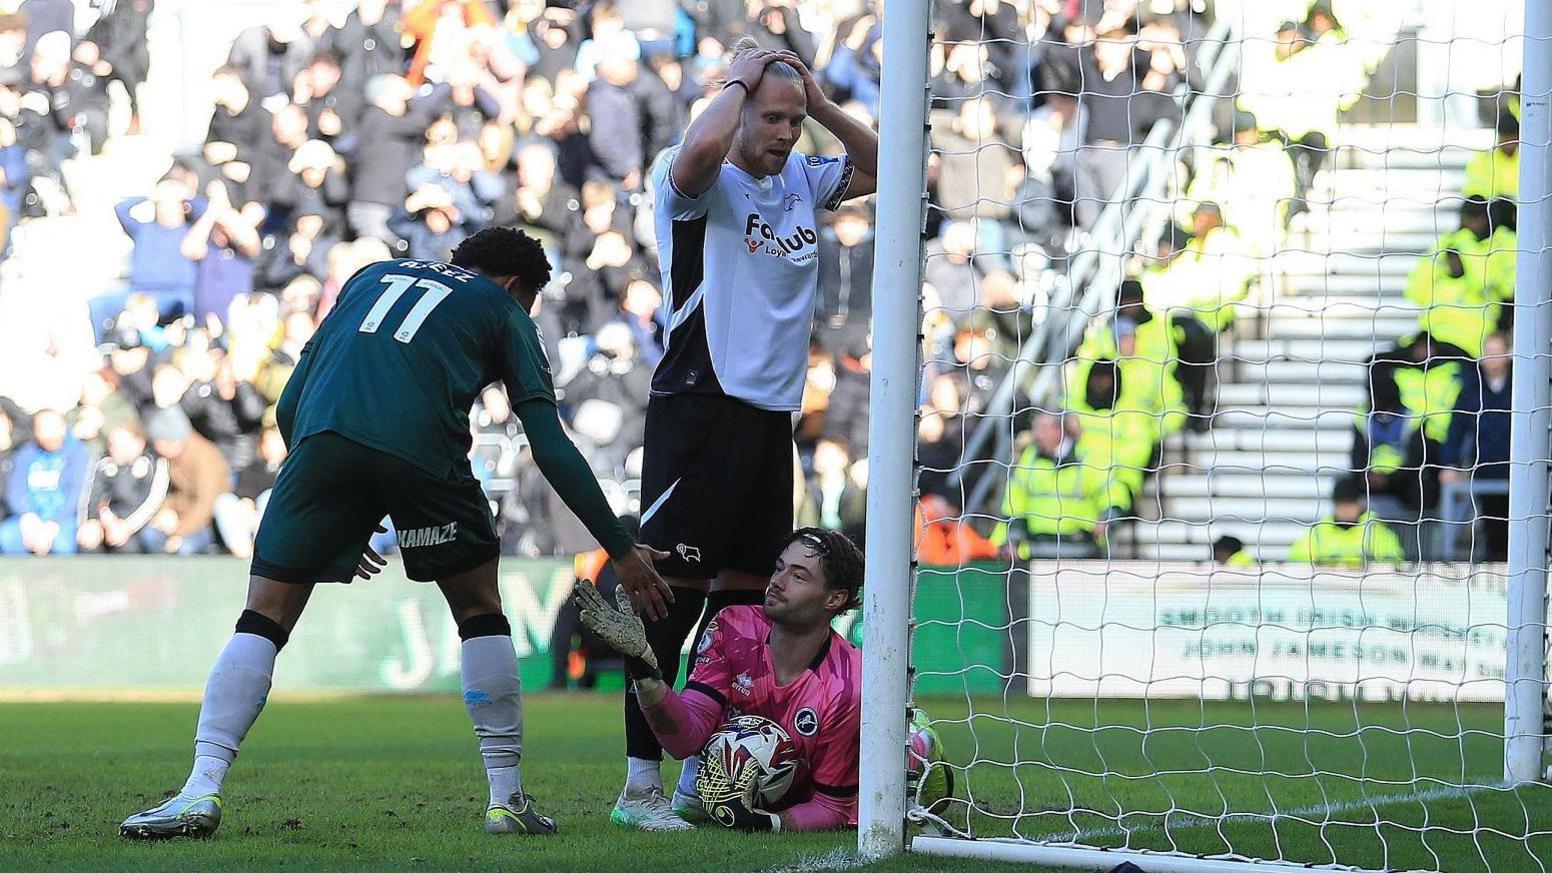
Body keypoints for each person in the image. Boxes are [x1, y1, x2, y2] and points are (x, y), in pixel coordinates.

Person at [120, 227, 672, 840]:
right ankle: (505, 799)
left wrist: (343, 514)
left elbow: (291, 402)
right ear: (519, 287)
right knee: (479, 612)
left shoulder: (368, 278)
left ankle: (199, 790)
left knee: (263, 617)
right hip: (424, 454)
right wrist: (620, 548)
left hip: (320, 444)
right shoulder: (502, 309)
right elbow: (548, 442)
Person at [617, 38, 876, 830]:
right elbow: (700, 146)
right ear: (735, 110)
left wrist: (821, 102)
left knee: (743, 613)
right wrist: (735, 78)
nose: (786, 134)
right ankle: (640, 789)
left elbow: (885, 165)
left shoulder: (801, 174)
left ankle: (705, 775)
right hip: (700, 407)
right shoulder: (696, 183)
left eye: (794, 121)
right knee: (669, 602)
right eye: (772, 118)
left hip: (770, 420)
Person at [576, 528, 864, 831]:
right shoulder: (734, 628)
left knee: (909, 748)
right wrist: (644, 672)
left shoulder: (848, 684)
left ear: (834, 598)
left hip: (850, 773)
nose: (777, 582)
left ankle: (919, 741)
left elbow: (831, 806)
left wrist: (768, 824)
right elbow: (686, 737)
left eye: (798, 576)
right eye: (779, 568)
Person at [1286, 476, 1406, 567]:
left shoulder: (1374, 530)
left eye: (1349, 504)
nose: (1345, 509)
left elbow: (1392, 564)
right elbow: (1297, 561)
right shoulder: (1318, 531)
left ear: (1358, 504)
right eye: (1341, 504)